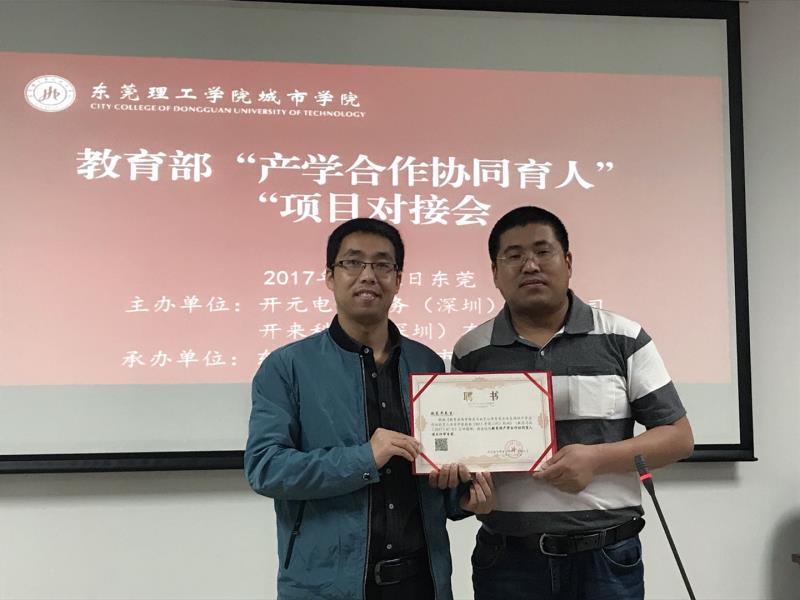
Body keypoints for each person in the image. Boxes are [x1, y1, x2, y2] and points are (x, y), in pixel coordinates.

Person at [451, 206, 694, 600]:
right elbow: (463, 450)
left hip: (607, 558)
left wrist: (596, 459)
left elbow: (678, 438)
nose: (530, 265)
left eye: (542, 251)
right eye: (513, 255)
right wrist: (470, 488)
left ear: (567, 262)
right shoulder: (472, 351)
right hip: (508, 560)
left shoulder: (623, 337)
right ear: (495, 272)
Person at [245, 218, 494, 600]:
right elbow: (266, 468)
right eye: (353, 262)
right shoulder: (287, 367)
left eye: (382, 264)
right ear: (330, 276)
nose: (368, 275)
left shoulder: (427, 363)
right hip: (327, 585)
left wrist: (464, 497)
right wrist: (364, 457)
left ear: (398, 279)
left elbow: (436, 475)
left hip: (421, 581)